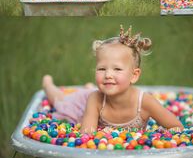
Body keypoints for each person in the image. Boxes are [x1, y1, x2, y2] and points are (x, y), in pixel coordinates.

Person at [42, 25, 183, 133]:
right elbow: (86, 135)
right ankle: (48, 84)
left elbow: (176, 126)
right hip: (82, 105)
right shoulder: (95, 99)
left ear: (134, 75)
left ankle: (88, 86)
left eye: (117, 69)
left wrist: (161, 139)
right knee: (61, 101)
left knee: (88, 92)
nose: (108, 75)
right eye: (102, 69)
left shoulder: (145, 102)